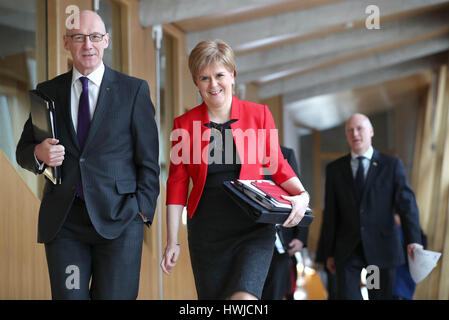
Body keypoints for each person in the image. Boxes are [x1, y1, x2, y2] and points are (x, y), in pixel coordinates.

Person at [15, 10, 159, 299]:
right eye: (79, 38)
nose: (88, 45)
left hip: (119, 222)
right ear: (66, 43)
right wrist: (39, 153)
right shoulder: (48, 92)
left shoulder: (133, 91)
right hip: (66, 225)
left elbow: (149, 162)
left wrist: (141, 210)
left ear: (106, 41)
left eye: (94, 37)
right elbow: (23, 151)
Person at [160, 40, 310, 300]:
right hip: (208, 230)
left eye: (219, 75)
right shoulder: (183, 124)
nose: (213, 84)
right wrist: (172, 240)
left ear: (232, 75)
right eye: (204, 78)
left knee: (244, 299)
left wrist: (302, 196)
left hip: (253, 224)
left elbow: (277, 165)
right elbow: (177, 186)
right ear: (196, 82)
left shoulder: (259, 114)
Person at [321, 113, 423, 300]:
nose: (355, 134)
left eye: (359, 128)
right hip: (348, 251)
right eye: (350, 130)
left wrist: (413, 239)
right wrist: (328, 253)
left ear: (371, 131)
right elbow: (331, 214)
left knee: (377, 295)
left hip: (378, 252)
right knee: (348, 296)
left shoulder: (391, 165)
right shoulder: (335, 170)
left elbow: (406, 204)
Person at [262, 146, 309, 300]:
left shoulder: (285, 153)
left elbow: (299, 195)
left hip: (281, 242)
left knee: (277, 290)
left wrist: (301, 237)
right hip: (247, 237)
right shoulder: (235, 154)